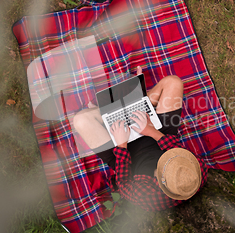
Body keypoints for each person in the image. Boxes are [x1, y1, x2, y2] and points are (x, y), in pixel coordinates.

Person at [73, 66, 208, 211]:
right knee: (173, 82)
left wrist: (122, 144)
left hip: (125, 155)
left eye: (168, 163)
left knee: (80, 120)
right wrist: (150, 130)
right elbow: (174, 147)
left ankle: (113, 110)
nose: (171, 160)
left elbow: (123, 180)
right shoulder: (195, 173)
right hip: (159, 136)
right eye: (174, 160)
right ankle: (136, 102)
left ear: (160, 182)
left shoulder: (144, 196)